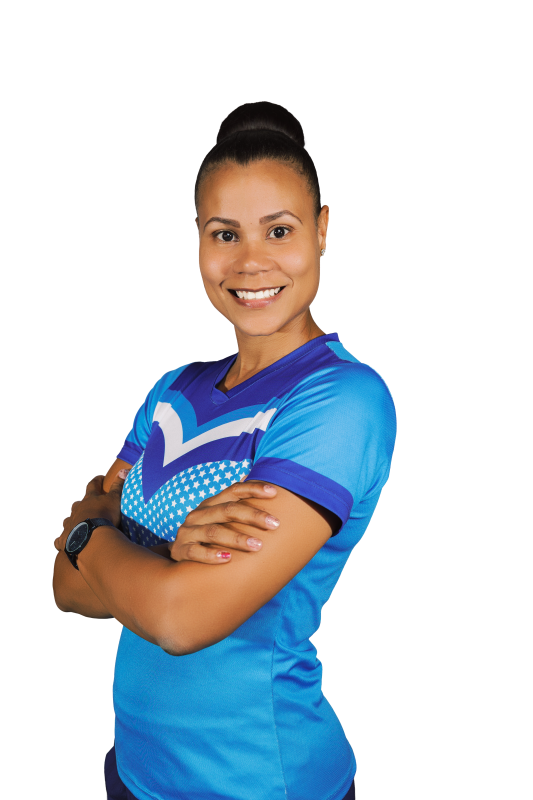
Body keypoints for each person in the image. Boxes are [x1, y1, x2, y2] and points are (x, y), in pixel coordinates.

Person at [53, 101, 396, 800]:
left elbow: (181, 620)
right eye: (224, 234)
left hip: (260, 779)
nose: (250, 261)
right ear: (199, 243)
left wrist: (92, 530)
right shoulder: (171, 391)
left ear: (323, 230)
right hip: (134, 768)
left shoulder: (341, 400)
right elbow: (68, 590)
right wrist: (161, 557)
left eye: (279, 230)